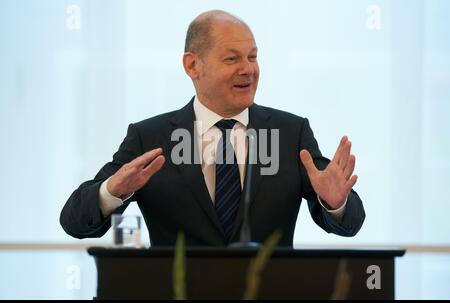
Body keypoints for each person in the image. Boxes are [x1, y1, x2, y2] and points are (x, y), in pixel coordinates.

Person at [60, 10, 365, 246]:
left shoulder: (290, 133)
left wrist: (335, 202)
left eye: (253, 57)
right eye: (232, 58)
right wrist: (112, 191)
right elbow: (74, 221)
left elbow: (349, 223)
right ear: (193, 65)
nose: (248, 69)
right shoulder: (150, 138)